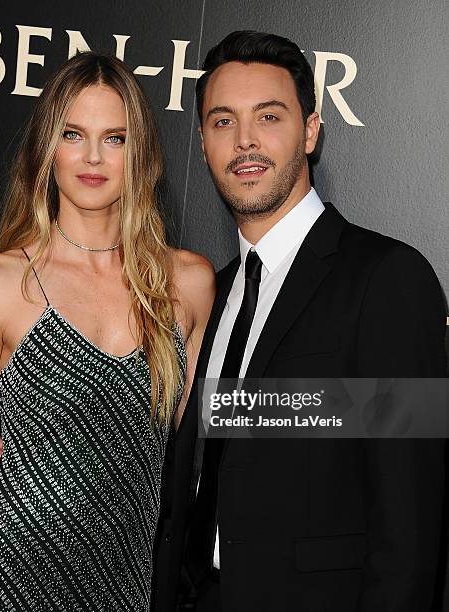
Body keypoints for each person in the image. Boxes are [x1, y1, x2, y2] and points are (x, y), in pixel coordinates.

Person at [151, 31, 447, 612]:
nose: (245, 142)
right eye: (222, 121)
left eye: (268, 116)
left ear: (310, 131)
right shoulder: (216, 289)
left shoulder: (388, 279)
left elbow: (409, 527)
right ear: (204, 142)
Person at [0, 51, 215, 612]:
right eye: (74, 134)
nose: (93, 156)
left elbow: (187, 453)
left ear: (139, 153)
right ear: (48, 148)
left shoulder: (188, 285)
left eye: (115, 138)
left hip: (118, 587)